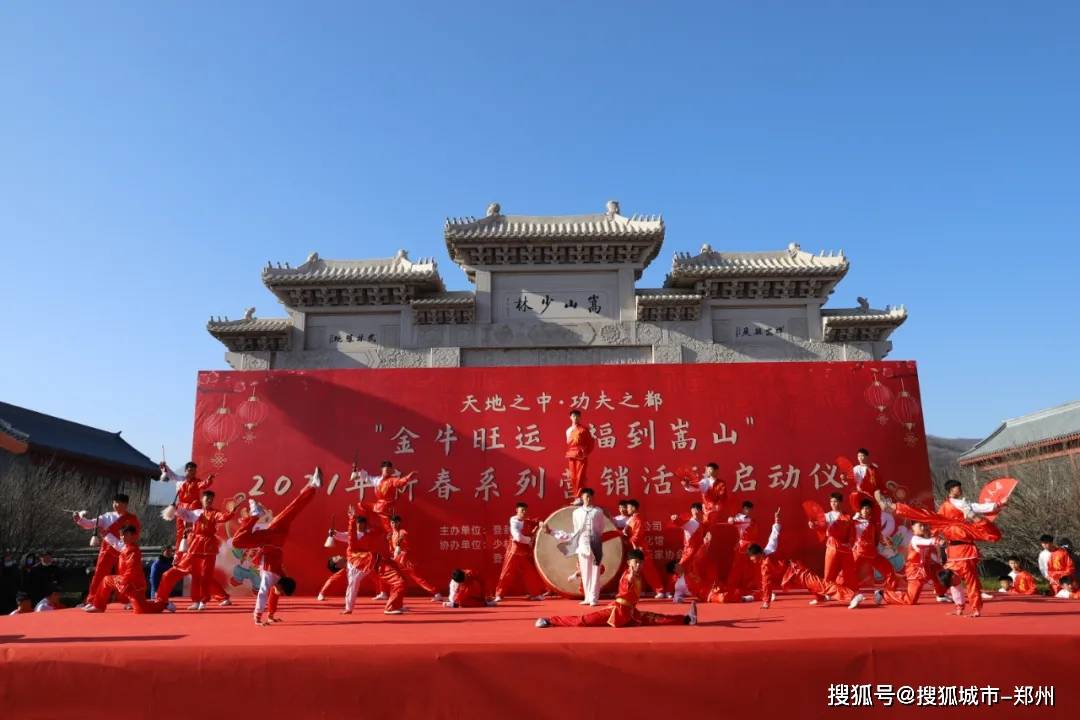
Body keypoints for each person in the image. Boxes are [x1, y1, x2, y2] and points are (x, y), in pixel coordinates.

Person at [231, 468, 321, 625]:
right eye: (282, 591)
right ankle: (255, 515)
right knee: (237, 542)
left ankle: (312, 486)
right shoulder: (271, 575)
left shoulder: (280, 576)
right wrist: (257, 618)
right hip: (270, 540)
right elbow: (262, 594)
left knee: (292, 511)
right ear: (280, 584)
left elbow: (273, 594)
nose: (280, 593)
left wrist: (271, 615)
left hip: (278, 539)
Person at [536, 549, 698, 628]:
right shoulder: (628, 575)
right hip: (615, 611)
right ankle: (550, 620)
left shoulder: (638, 576)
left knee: (657, 618)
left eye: (640, 563)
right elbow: (627, 583)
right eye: (635, 562)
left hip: (631, 613)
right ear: (629, 563)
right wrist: (631, 576)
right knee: (582, 621)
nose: (638, 565)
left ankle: (686, 619)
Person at [155, 490, 238, 610]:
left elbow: (223, 517)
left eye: (211, 499)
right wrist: (174, 507)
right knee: (187, 573)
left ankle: (203, 601)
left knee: (205, 575)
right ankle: (196, 600)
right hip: (195, 546)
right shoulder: (195, 513)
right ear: (202, 500)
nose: (209, 501)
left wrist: (231, 512)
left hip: (208, 546)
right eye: (207, 498)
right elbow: (182, 513)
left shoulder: (214, 513)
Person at [86, 526, 175, 614]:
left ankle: (163, 604)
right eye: (121, 535)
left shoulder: (133, 551)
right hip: (127, 582)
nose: (123, 537)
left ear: (133, 536)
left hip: (133, 585)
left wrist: (123, 582)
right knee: (106, 580)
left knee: (141, 609)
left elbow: (132, 570)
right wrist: (105, 535)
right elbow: (116, 547)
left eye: (126, 535)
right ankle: (98, 606)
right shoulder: (126, 547)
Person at [73, 493, 141, 605]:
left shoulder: (132, 519)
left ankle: (126, 600)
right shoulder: (107, 516)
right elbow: (91, 524)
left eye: (118, 503)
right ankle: (92, 600)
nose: (115, 505)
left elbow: (135, 536)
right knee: (99, 574)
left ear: (125, 504)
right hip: (107, 550)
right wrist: (79, 520)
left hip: (124, 551)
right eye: (114, 502)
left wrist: (112, 538)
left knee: (125, 575)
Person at [335, 509, 407, 615]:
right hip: (357, 563)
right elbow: (345, 534)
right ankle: (348, 608)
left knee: (396, 578)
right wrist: (349, 522)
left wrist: (370, 525)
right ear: (357, 524)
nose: (362, 526)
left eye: (363, 524)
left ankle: (395, 603)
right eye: (360, 524)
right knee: (353, 584)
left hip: (372, 561)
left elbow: (380, 530)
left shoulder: (370, 533)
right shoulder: (352, 536)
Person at [544, 487, 607, 605]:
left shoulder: (598, 511)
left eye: (590, 497)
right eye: (585, 496)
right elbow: (576, 529)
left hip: (595, 544)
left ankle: (594, 598)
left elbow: (600, 528)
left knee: (595, 572)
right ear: (582, 498)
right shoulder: (576, 512)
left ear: (592, 497)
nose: (587, 499)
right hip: (582, 544)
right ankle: (587, 597)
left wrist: (593, 538)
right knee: (585, 572)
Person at [807, 492, 858, 602]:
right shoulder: (827, 516)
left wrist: (850, 543)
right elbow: (820, 524)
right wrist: (813, 525)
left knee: (849, 573)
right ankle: (822, 596)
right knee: (828, 573)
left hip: (845, 548)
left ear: (840, 502)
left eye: (835, 501)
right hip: (832, 546)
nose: (833, 504)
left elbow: (852, 533)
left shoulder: (848, 516)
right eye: (831, 502)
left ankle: (853, 594)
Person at [494, 503, 546, 602]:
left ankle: (535, 594)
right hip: (513, 552)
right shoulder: (514, 521)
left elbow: (536, 521)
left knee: (530, 574)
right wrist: (530, 540)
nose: (524, 512)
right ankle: (499, 595)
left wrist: (540, 522)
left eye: (525, 510)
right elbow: (517, 537)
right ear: (516, 510)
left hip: (524, 553)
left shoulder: (527, 521)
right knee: (506, 573)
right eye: (522, 510)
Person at [388, 515, 443, 601]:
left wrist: (400, 542)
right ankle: (389, 595)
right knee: (394, 578)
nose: (394, 524)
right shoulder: (391, 534)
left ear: (399, 523)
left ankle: (436, 593)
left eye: (396, 522)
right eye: (392, 522)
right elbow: (393, 549)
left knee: (417, 578)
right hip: (397, 560)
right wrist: (390, 543)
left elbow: (404, 535)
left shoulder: (402, 531)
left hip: (405, 560)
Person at [350, 460, 418, 531]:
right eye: (386, 470)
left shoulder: (392, 480)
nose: (387, 472)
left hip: (386, 506)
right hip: (378, 504)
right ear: (382, 470)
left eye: (389, 470)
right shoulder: (377, 480)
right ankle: (366, 525)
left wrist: (408, 477)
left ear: (392, 471)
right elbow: (366, 477)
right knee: (361, 505)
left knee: (386, 522)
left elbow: (400, 482)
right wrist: (356, 470)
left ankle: (391, 534)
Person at [850, 499, 899, 591]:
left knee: (888, 569)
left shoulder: (874, 523)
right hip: (858, 551)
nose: (865, 510)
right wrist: (852, 519)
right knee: (848, 571)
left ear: (870, 511)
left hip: (871, 552)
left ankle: (891, 590)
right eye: (863, 508)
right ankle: (839, 590)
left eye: (867, 508)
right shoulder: (854, 522)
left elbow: (878, 537)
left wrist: (887, 542)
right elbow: (845, 528)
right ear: (860, 510)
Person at [623, 499, 668, 598]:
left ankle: (660, 591)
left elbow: (638, 535)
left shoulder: (638, 519)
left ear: (634, 508)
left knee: (648, 570)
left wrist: (628, 540)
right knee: (633, 570)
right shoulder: (631, 519)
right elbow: (627, 531)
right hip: (634, 548)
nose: (627, 509)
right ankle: (637, 590)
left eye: (629, 507)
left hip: (641, 548)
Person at [723, 501, 760, 601]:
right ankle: (731, 586)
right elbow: (731, 521)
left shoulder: (751, 520)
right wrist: (731, 520)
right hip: (743, 545)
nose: (749, 511)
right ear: (743, 508)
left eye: (750, 509)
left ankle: (755, 586)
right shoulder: (738, 517)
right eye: (747, 509)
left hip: (751, 545)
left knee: (753, 565)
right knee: (737, 566)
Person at [565, 409, 595, 498]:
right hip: (571, 455)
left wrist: (584, 453)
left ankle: (580, 496)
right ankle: (576, 496)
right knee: (573, 477)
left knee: (580, 477)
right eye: (573, 416)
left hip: (580, 456)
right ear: (570, 417)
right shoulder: (568, 430)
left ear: (580, 417)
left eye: (577, 416)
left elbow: (591, 443)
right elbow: (569, 443)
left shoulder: (584, 430)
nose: (575, 418)